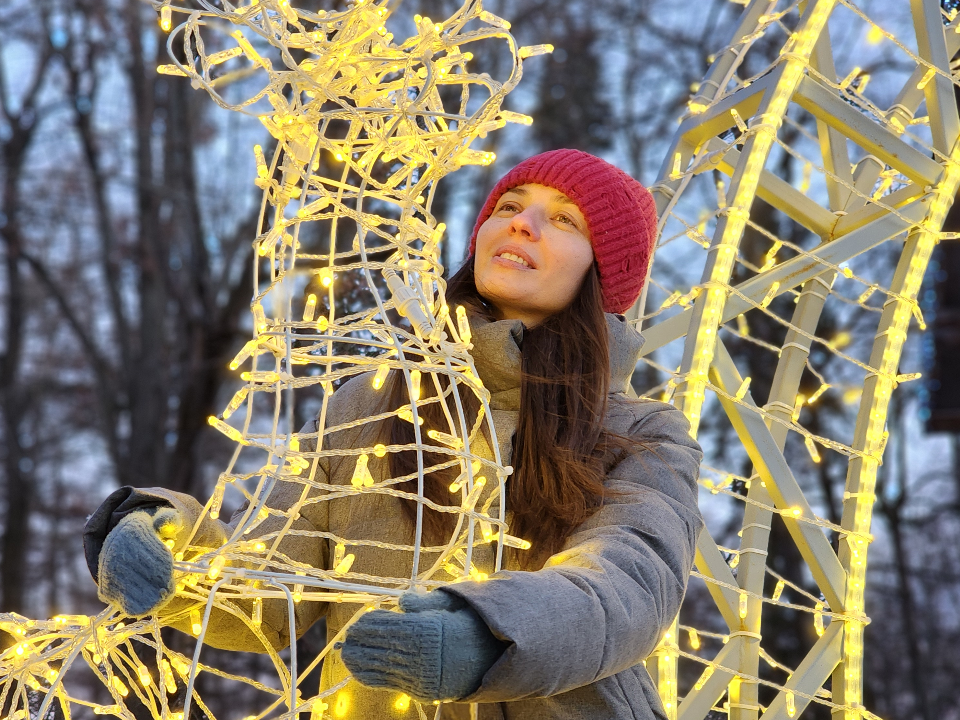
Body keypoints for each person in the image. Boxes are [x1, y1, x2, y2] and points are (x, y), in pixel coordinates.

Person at [83, 149, 704, 720]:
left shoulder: (643, 435)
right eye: (509, 207)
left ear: (604, 274)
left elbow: (627, 587)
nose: (522, 224)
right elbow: (270, 591)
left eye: (565, 219)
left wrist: (488, 633)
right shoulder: (367, 405)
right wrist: (174, 548)